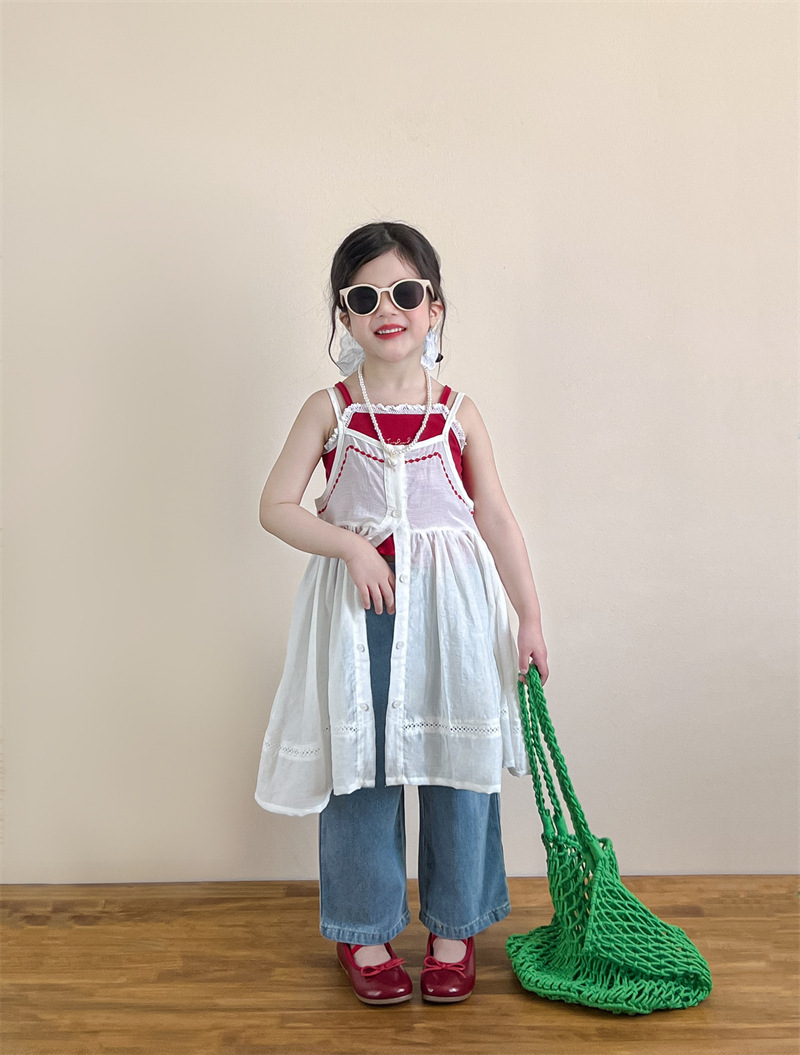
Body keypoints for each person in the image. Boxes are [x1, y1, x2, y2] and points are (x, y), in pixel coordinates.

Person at [255, 220, 549, 1005]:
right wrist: (351, 548)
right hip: (360, 621)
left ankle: (456, 927)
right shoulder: (330, 410)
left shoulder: (458, 413)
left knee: (459, 771)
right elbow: (276, 506)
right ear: (344, 317)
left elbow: (495, 517)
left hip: (454, 620)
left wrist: (528, 616)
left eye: (406, 292)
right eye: (365, 297)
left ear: (435, 308)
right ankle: (364, 928)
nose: (388, 308)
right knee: (361, 771)